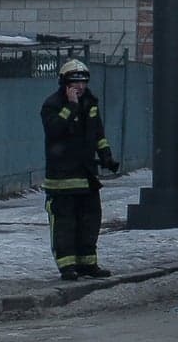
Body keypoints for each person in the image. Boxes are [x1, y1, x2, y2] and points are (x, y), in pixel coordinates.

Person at [39, 58, 121, 280]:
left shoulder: (90, 103)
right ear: (64, 83)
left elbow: (97, 134)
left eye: (83, 81)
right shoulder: (52, 105)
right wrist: (71, 107)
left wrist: (106, 156)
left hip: (86, 176)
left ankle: (88, 264)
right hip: (62, 178)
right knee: (65, 224)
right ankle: (67, 266)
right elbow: (55, 130)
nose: (80, 87)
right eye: (75, 82)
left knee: (90, 221)